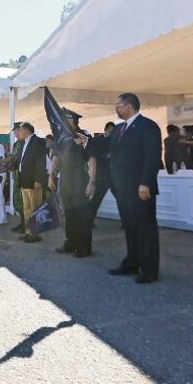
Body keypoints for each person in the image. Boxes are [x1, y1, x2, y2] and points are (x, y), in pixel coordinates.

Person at [108, 93, 163, 284]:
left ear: (129, 106)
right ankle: (132, 262)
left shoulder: (147, 126)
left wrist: (145, 183)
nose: (116, 108)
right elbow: (107, 146)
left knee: (145, 228)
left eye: (118, 105)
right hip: (123, 189)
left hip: (140, 188)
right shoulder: (119, 129)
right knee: (130, 227)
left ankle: (149, 269)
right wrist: (87, 141)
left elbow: (152, 157)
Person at [51, 112, 95, 256]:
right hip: (65, 179)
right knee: (69, 213)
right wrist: (50, 176)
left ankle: (84, 247)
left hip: (79, 178)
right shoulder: (61, 137)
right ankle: (70, 243)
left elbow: (92, 159)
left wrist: (92, 181)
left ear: (73, 120)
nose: (63, 121)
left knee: (81, 214)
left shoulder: (83, 136)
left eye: (66, 119)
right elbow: (56, 158)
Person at [13, 123, 46, 239]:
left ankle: (35, 234)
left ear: (26, 130)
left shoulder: (37, 141)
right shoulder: (25, 143)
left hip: (33, 181)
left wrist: (38, 179)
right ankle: (29, 232)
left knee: (35, 208)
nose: (19, 132)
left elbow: (40, 162)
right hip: (24, 181)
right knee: (27, 208)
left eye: (20, 130)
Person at [87, 122, 115, 225]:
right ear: (105, 130)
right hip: (102, 176)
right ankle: (88, 221)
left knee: (122, 200)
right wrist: (106, 156)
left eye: (113, 132)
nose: (111, 133)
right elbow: (93, 156)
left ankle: (127, 223)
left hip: (113, 176)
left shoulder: (114, 141)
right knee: (96, 200)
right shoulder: (97, 141)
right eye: (110, 131)